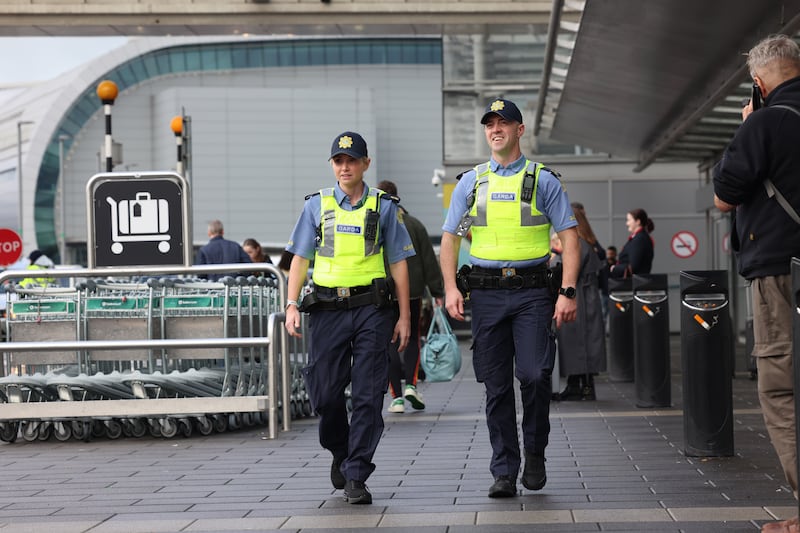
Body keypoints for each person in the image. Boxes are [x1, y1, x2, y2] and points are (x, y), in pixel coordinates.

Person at [440, 98, 579, 498]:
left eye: (504, 123)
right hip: (485, 295)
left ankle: (535, 450)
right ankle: (504, 468)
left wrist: (567, 291)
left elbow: (570, 239)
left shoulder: (543, 181)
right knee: (496, 386)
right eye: (490, 124)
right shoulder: (473, 184)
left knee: (535, 376)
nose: (495, 129)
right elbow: (451, 237)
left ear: (521, 130)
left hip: (534, 293)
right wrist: (450, 287)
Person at [284, 131, 413, 505]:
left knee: (369, 395)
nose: (345, 167)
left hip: (373, 308)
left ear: (365, 165)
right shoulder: (316, 206)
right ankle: (339, 450)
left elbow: (400, 262)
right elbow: (300, 260)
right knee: (325, 394)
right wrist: (292, 304)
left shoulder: (384, 206)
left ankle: (357, 472)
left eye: (352, 161)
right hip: (327, 309)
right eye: (339, 161)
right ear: (332, 165)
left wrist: (404, 315)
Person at [712, 34, 800, 533]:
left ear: (759, 83)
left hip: (779, 274)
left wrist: (747, 128)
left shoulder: (765, 122)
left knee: (782, 388)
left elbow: (725, 195)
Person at [376, 179, 444, 414]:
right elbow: (428, 261)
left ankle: (395, 398)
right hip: (413, 291)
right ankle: (412, 386)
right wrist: (437, 291)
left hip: (382, 293)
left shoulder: (374, 225)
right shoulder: (414, 225)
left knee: (390, 343)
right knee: (413, 337)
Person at [556, 203, 606, 401]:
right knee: (584, 341)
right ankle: (581, 384)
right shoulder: (588, 242)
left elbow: (568, 270)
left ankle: (580, 386)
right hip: (587, 296)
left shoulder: (577, 244)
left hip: (579, 298)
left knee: (577, 341)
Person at [609, 208, 654, 278]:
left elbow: (634, 267)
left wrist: (615, 268)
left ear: (638, 221)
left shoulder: (639, 239)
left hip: (634, 284)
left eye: (629, 220)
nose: (627, 223)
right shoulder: (639, 238)